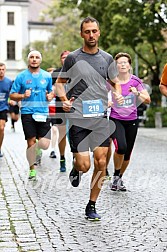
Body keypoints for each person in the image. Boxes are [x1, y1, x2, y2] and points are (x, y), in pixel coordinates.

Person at [56, 17, 123, 221]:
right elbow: (60, 83)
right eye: (87, 32)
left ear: (99, 32)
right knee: (84, 165)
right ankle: (76, 169)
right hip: (78, 117)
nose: (91, 35)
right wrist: (64, 99)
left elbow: (115, 82)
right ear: (81, 34)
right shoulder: (73, 58)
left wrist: (117, 93)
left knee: (101, 162)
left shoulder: (107, 58)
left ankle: (91, 205)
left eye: (94, 31)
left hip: (100, 117)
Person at [108, 52, 151, 191]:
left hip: (132, 120)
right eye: (119, 62)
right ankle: (115, 176)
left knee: (127, 153)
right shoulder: (112, 81)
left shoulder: (135, 81)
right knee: (121, 147)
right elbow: (101, 95)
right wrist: (107, 101)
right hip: (116, 119)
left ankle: (119, 177)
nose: (122, 65)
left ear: (129, 65)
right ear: (116, 65)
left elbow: (148, 99)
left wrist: (136, 93)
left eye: (125, 62)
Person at [10, 50, 54, 180]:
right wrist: (23, 95)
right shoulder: (21, 76)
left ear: (40, 60)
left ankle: (38, 149)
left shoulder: (46, 76)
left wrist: (50, 95)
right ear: (28, 60)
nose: (34, 59)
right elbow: (12, 95)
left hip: (43, 113)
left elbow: (50, 92)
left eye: (37, 57)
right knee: (30, 143)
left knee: (45, 144)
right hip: (27, 113)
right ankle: (32, 170)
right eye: (32, 57)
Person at [48, 50, 70, 173]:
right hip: (60, 106)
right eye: (63, 57)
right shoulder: (56, 73)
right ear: (60, 59)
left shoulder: (77, 72)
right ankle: (62, 158)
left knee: (75, 133)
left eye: (68, 57)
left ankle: (76, 156)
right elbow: (50, 89)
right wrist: (51, 94)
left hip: (75, 106)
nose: (66, 59)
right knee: (62, 133)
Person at [0, 63, 13, 157]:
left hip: (3, 108)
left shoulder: (8, 82)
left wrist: (11, 100)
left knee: (1, 128)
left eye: (3, 69)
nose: (1, 71)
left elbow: (12, 94)